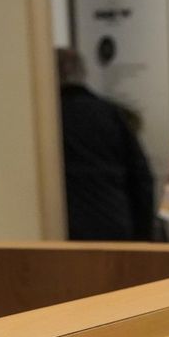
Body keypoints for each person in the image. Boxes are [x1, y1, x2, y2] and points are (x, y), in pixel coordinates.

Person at [56, 48, 155, 241]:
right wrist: (144, 235)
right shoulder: (111, 114)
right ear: (82, 72)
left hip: (67, 227)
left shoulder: (45, 121)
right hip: (115, 221)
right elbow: (141, 178)